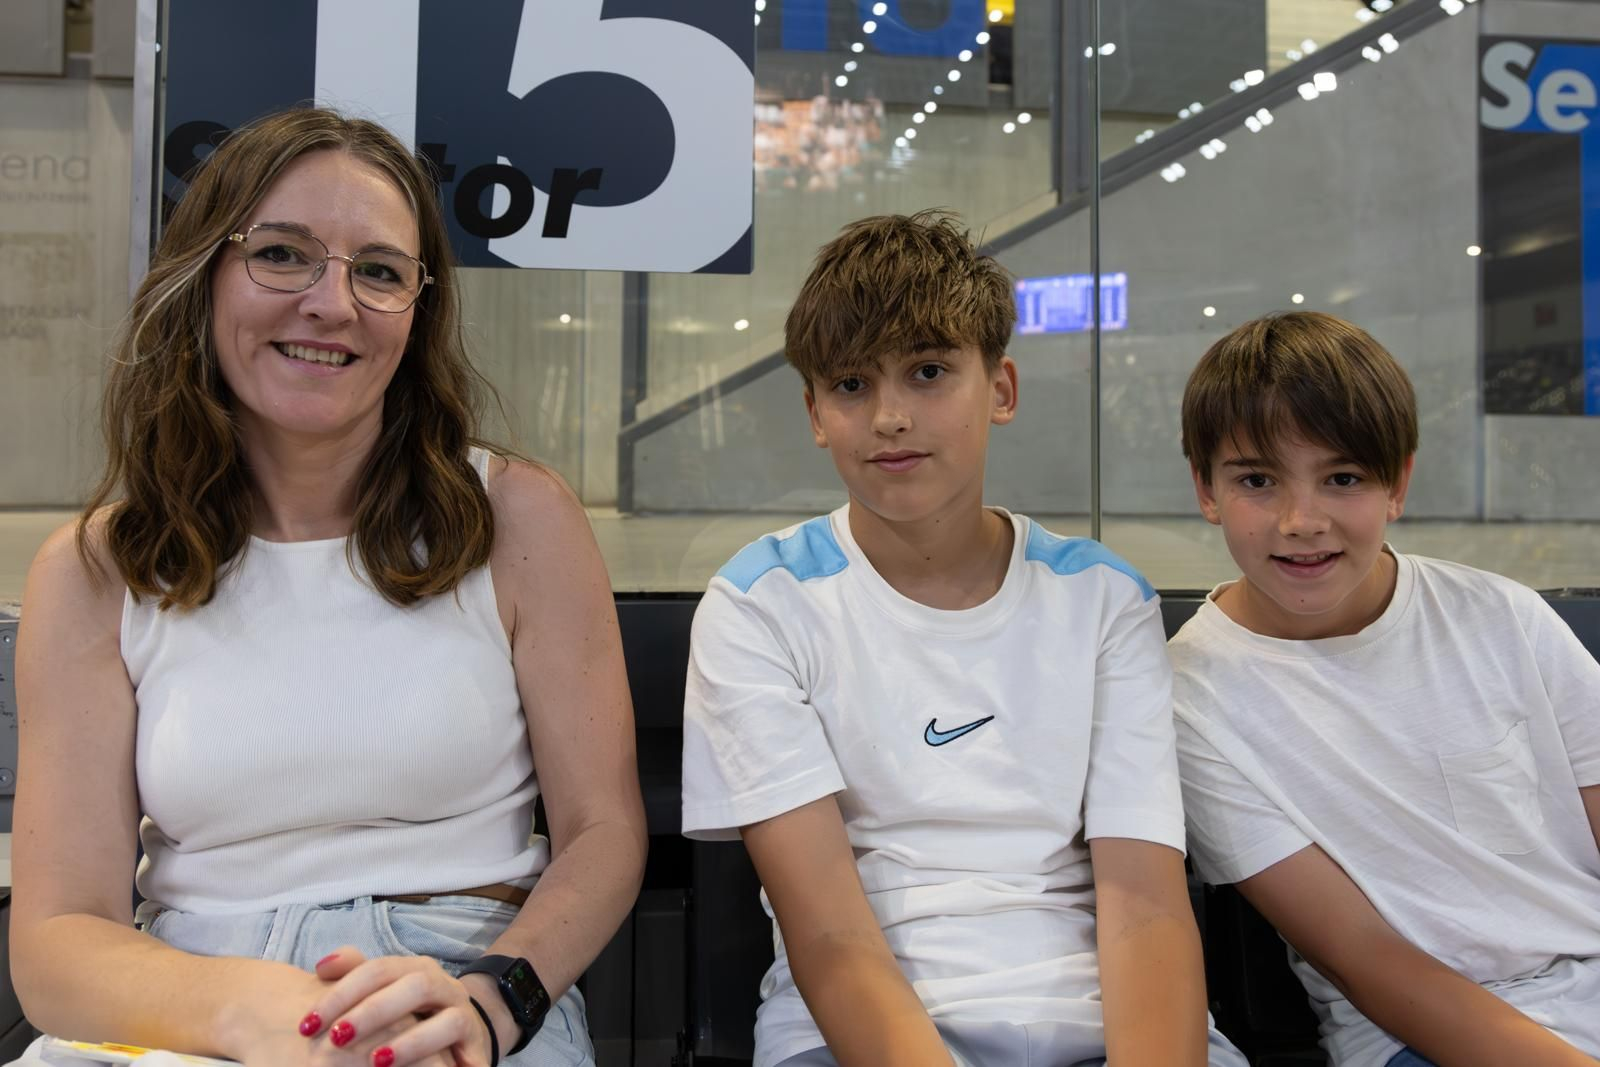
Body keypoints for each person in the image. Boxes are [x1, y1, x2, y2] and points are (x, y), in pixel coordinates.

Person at [12, 107, 647, 1067]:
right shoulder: (96, 570)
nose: (331, 303)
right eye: (282, 254)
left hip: (455, 988)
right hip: (193, 997)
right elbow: (59, 939)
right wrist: (252, 1013)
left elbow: (603, 832)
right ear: (206, 276)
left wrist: (492, 1000)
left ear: (417, 312)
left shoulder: (520, 520)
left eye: (380, 271)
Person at [679, 211, 1246, 1067]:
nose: (890, 417)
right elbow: (828, 930)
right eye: (851, 386)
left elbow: (1147, 902)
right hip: (858, 1038)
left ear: (1003, 389)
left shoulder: (1101, 598)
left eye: (929, 372)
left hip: (1106, 1024)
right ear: (815, 414)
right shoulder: (760, 604)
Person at [1169, 311, 1600, 1067]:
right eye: (1258, 480)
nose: (1302, 521)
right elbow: (1364, 958)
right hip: (1418, 1035)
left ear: (1396, 482)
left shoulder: (1501, 615)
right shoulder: (1189, 696)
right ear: (1206, 487)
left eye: (1342, 478)